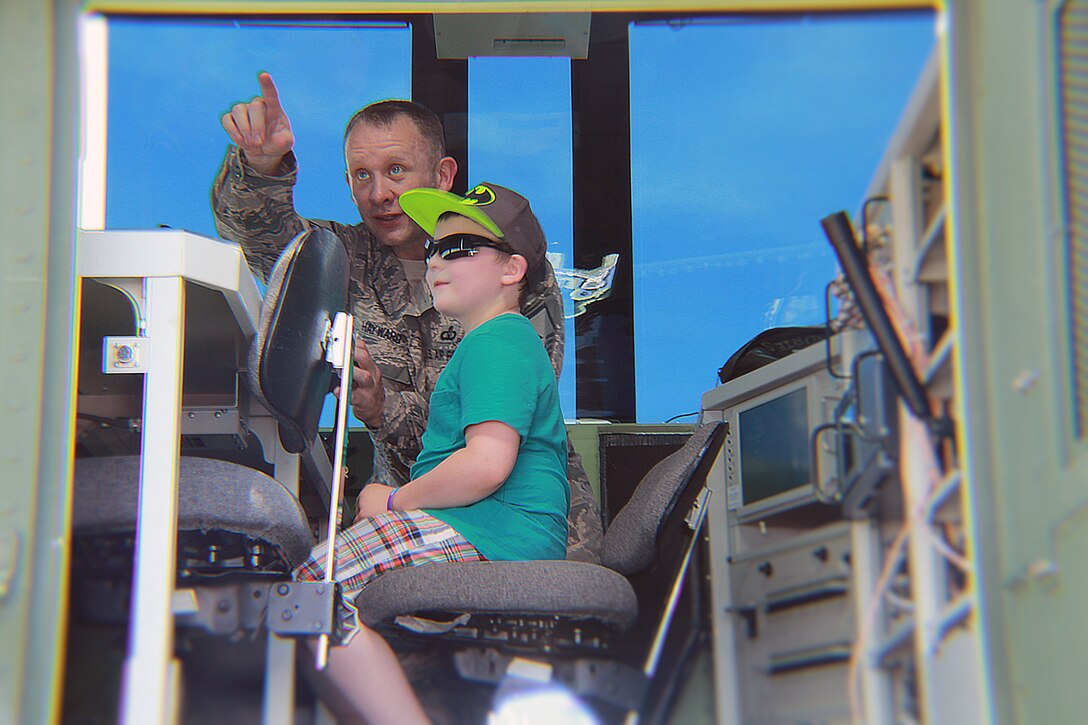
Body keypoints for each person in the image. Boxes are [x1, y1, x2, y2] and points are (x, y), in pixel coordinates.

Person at [213, 72, 602, 562]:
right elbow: (261, 237)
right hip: (410, 519)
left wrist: (382, 407)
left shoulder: (511, 272)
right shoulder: (339, 258)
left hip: (523, 530)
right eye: (361, 175)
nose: (378, 193)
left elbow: (491, 430)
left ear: (442, 176)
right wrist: (261, 164)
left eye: (396, 170)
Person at [296, 182, 570, 721]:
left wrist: (395, 501)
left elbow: (488, 463)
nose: (438, 259)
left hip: (491, 532)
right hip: (490, 533)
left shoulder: (499, 340)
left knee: (313, 591)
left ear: (512, 270)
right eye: (433, 249)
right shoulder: (492, 342)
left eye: (460, 247)